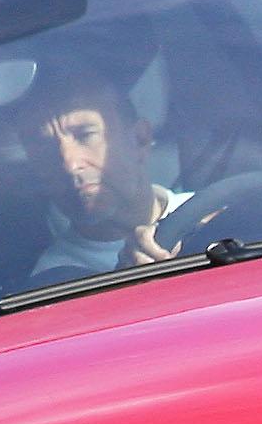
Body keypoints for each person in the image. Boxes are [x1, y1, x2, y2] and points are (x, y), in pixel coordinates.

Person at [19, 57, 191, 283]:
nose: (70, 165)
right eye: (47, 150)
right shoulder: (53, 284)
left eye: (85, 135)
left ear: (140, 139)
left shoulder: (220, 210)